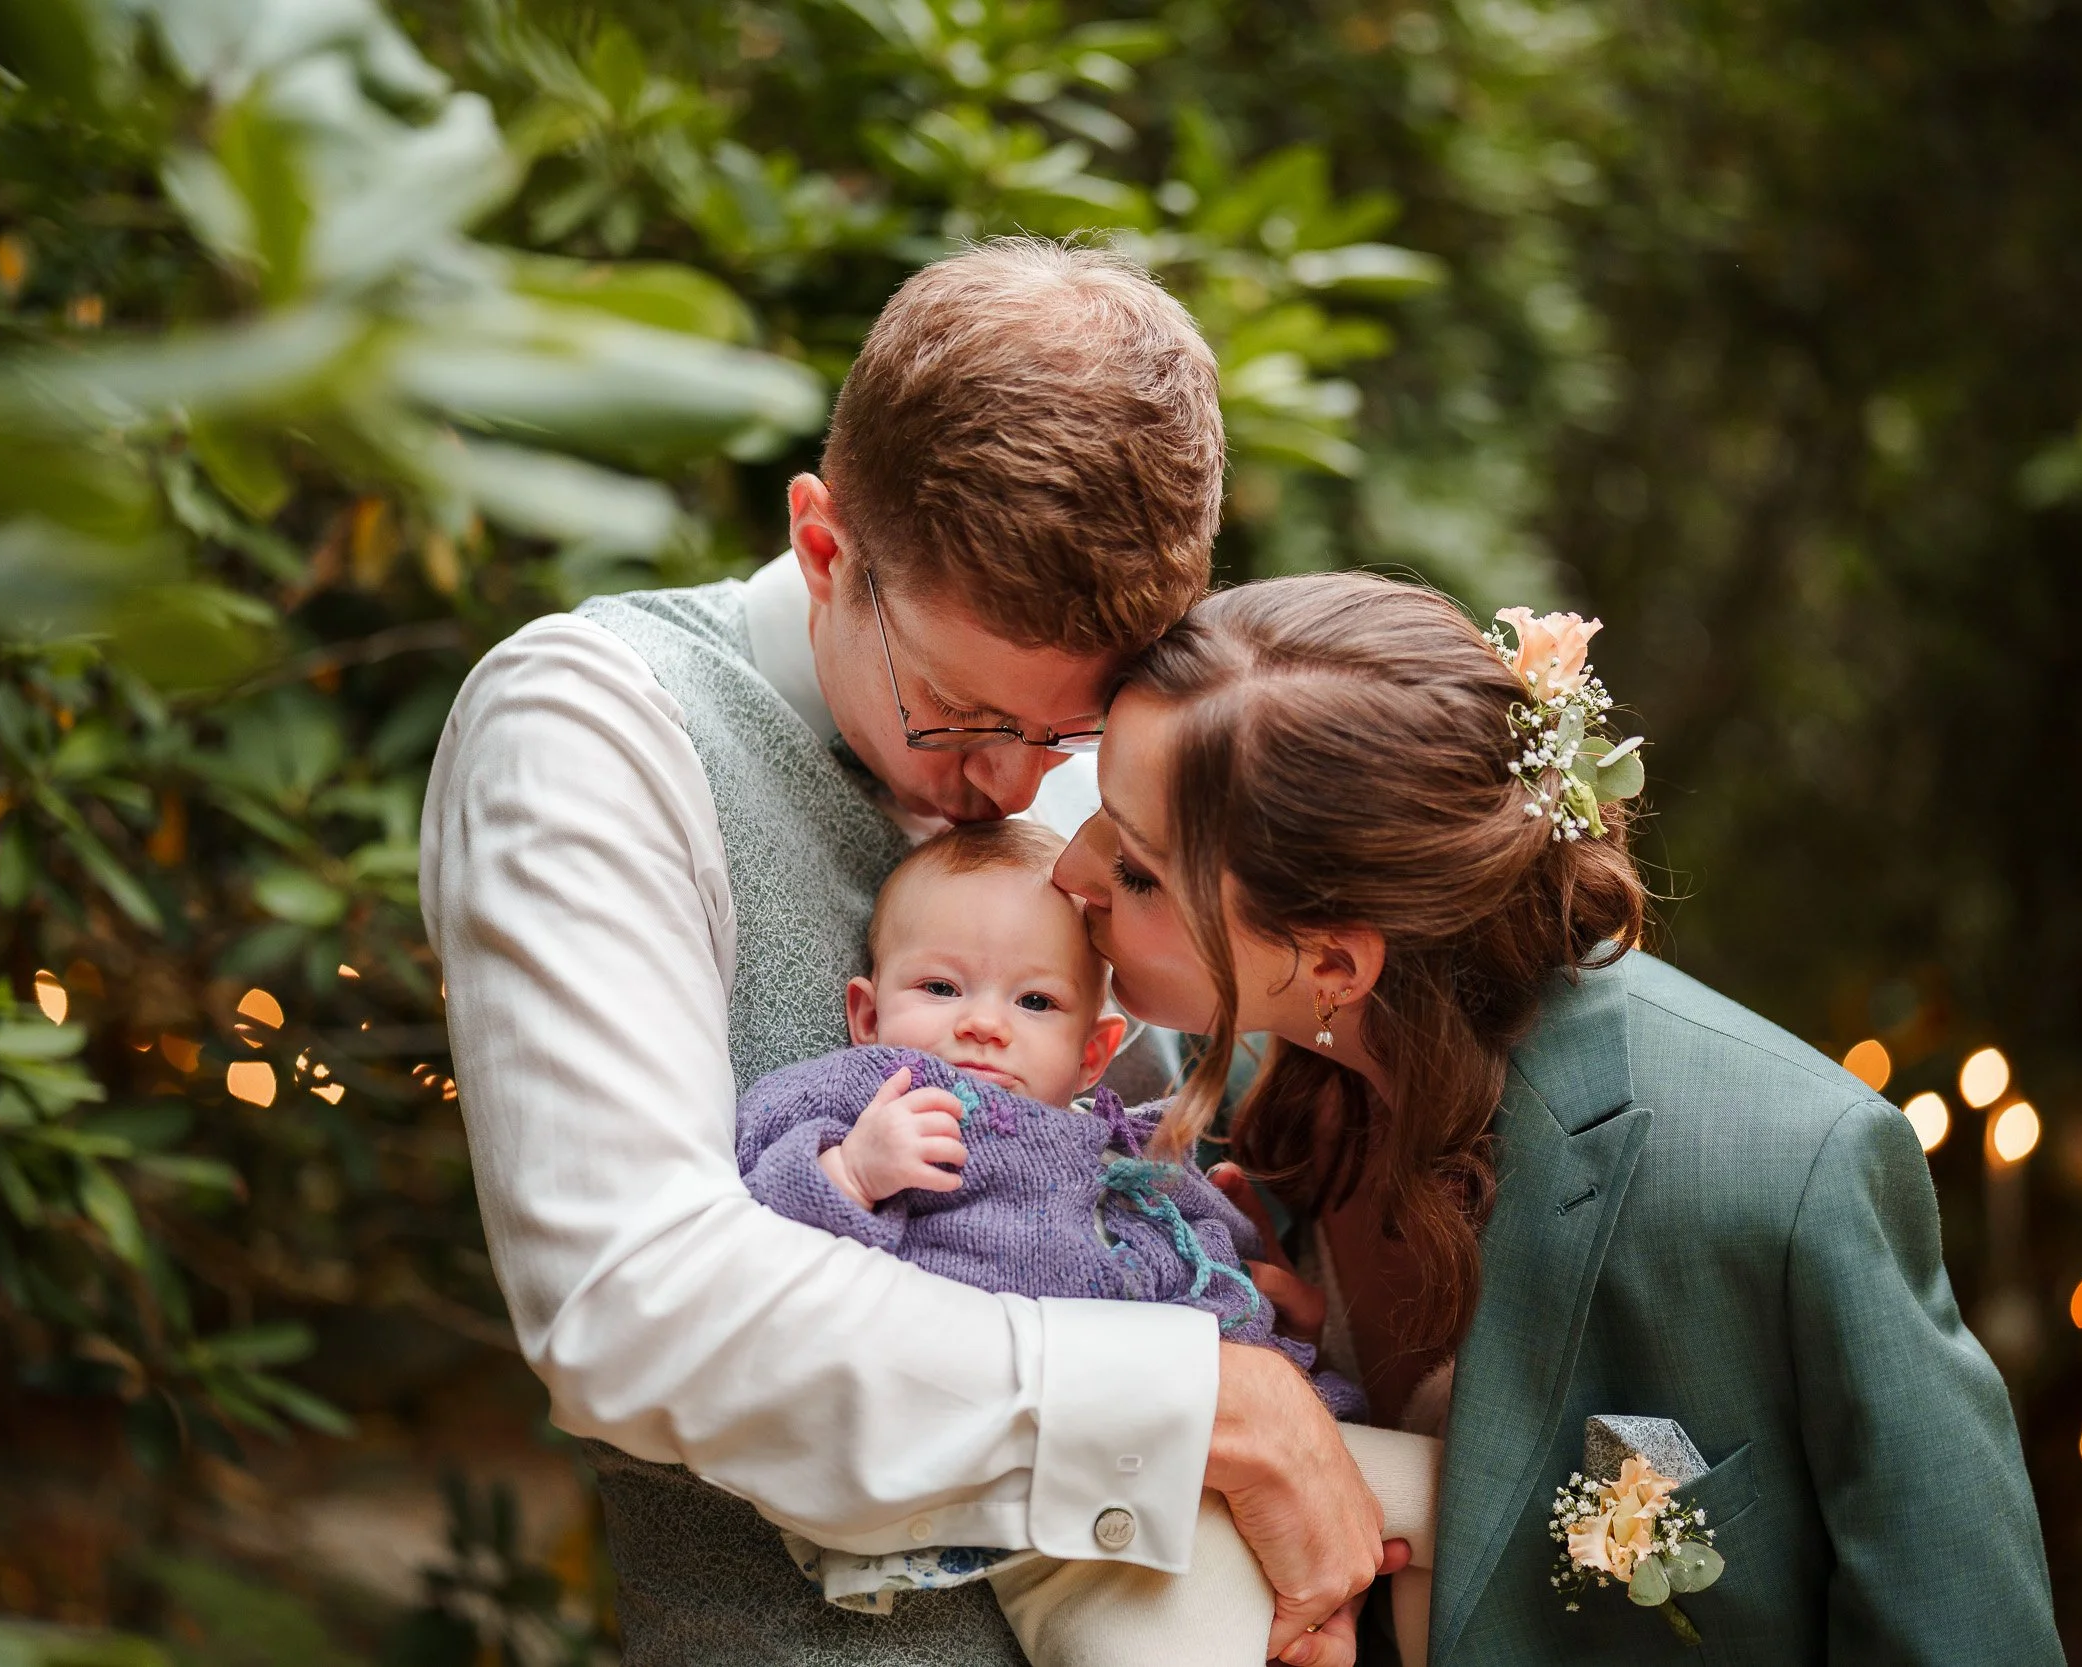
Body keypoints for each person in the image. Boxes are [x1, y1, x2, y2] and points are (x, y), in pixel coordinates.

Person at [419, 242, 1389, 1667]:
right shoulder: (590, 730)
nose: (1015, 785)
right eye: (952, 711)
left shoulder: (1100, 766)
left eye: (1063, 733)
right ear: (825, 548)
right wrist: (1202, 1404)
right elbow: (632, 1305)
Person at [1053, 571, 2067, 1664]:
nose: (1072, 871)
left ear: (1333, 959)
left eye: (1140, 867)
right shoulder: (1203, 1115)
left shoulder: (1783, 1171)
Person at [732, 819, 1440, 1664]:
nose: (985, 1024)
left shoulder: (1125, 1148)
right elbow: (748, 1228)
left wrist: (1279, 1323)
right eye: (940, 986)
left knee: (1461, 1497)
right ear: (866, 1011)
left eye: (1035, 1001)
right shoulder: (872, 1096)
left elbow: (1211, 1253)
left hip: (1243, 1445)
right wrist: (852, 1172)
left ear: (1095, 1050)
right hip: (1060, 1524)